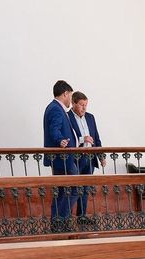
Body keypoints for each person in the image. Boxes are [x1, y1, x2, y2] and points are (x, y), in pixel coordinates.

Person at [42, 79, 77, 231]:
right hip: (63, 158)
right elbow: (54, 129)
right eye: (70, 95)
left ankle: (57, 222)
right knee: (75, 188)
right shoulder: (56, 109)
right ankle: (61, 220)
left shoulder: (54, 107)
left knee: (62, 191)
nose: (71, 99)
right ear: (65, 94)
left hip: (62, 157)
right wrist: (60, 140)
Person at [67, 91, 103, 219]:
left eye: (86, 105)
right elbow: (68, 139)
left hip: (90, 157)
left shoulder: (90, 117)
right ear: (73, 103)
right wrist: (83, 139)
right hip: (75, 159)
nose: (84, 108)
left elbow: (96, 138)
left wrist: (101, 156)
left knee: (86, 188)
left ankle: (81, 216)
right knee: (74, 188)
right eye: (81, 105)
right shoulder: (67, 117)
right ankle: (67, 217)